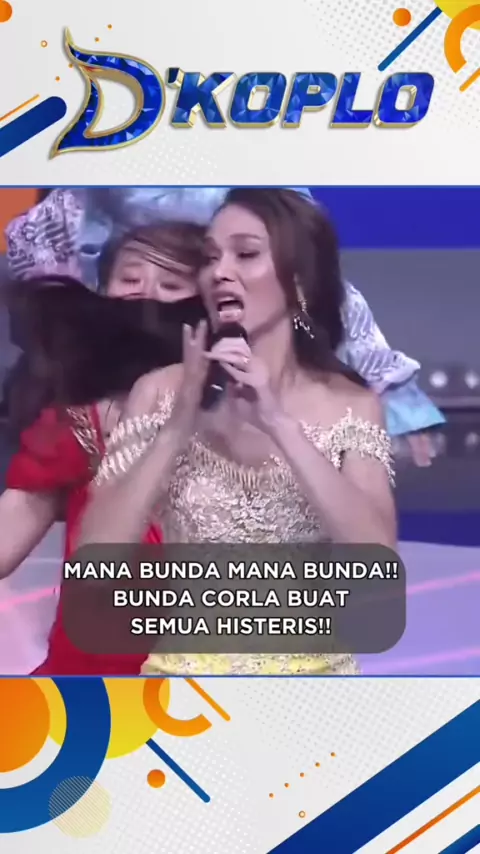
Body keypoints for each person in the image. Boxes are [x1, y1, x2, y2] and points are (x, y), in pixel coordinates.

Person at [79, 188, 397, 676]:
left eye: (245, 254)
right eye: (211, 258)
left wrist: (279, 423)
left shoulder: (350, 404)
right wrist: (176, 428)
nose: (219, 272)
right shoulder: (159, 392)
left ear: (298, 280)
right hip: (181, 692)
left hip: (312, 689)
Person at [0, 219, 208, 675]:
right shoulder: (77, 422)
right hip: (86, 686)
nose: (145, 293)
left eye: (171, 284)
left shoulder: (244, 418)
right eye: (130, 278)